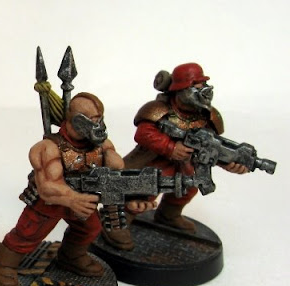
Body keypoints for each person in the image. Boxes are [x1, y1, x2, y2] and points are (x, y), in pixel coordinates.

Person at [0, 93, 151, 286]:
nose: (98, 124)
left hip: (82, 201)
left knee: (90, 228)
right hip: (49, 203)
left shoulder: (101, 144)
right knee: (28, 234)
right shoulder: (49, 148)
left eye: (99, 118)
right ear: (78, 120)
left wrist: (133, 196)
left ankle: (71, 256)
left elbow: (116, 169)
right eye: (93, 120)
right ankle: (4, 266)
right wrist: (73, 199)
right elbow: (47, 187)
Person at [104, 63, 248, 250]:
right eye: (195, 87)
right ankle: (118, 223)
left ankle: (168, 215)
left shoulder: (207, 115)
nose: (203, 92)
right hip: (153, 160)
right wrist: (170, 147)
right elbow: (144, 133)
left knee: (190, 185)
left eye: (203, 86)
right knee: (144, 190)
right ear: (180, 90)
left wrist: (228, 162)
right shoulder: (159, 110)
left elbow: (212, 145)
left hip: (186, 164)